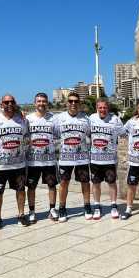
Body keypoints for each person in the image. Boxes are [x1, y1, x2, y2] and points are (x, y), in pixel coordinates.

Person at [0, 94, 29, 229]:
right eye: (6, 102)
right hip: (1, 164)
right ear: (1, 104)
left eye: (11, 101)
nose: (9, 104)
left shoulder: (22, 119)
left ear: (15, 103)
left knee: (20, 189)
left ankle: (21, 214)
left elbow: (27, 137)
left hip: (19, 163)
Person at [53, 92, 92, 222]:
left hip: (82, 157)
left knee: (85, 183)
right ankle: (62, 208)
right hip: (65, 157)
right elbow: (53, 133)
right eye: (70, 101)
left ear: (79, 103)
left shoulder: (86, 119)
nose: (73, 103)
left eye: (76, 101)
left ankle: (87, 206)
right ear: (66, 103)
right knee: (64, 183)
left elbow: (92, 134)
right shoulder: (58, 118)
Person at [89, 97, 125, 219]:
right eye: (100, 107)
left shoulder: (115, 119)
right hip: (94, 159)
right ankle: (97, 206)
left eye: (104, 107)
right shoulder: (91, 118)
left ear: (108, 108)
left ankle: (114, 205)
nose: (102, 110)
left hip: (110, 159)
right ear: (96, 108)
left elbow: (124, 132)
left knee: (112, 182)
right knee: (95, 183)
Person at [25, 92, 59, 223]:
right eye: (39, 101)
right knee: (31, 187)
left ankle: (52, 209)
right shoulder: (28, 118)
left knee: (52, 185)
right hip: (33, 160)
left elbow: (57, 135)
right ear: (35, 103)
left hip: (49, 160)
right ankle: (32, 211)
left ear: (47, 102)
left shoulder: (53, 118)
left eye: (44, 101)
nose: (41, 103)